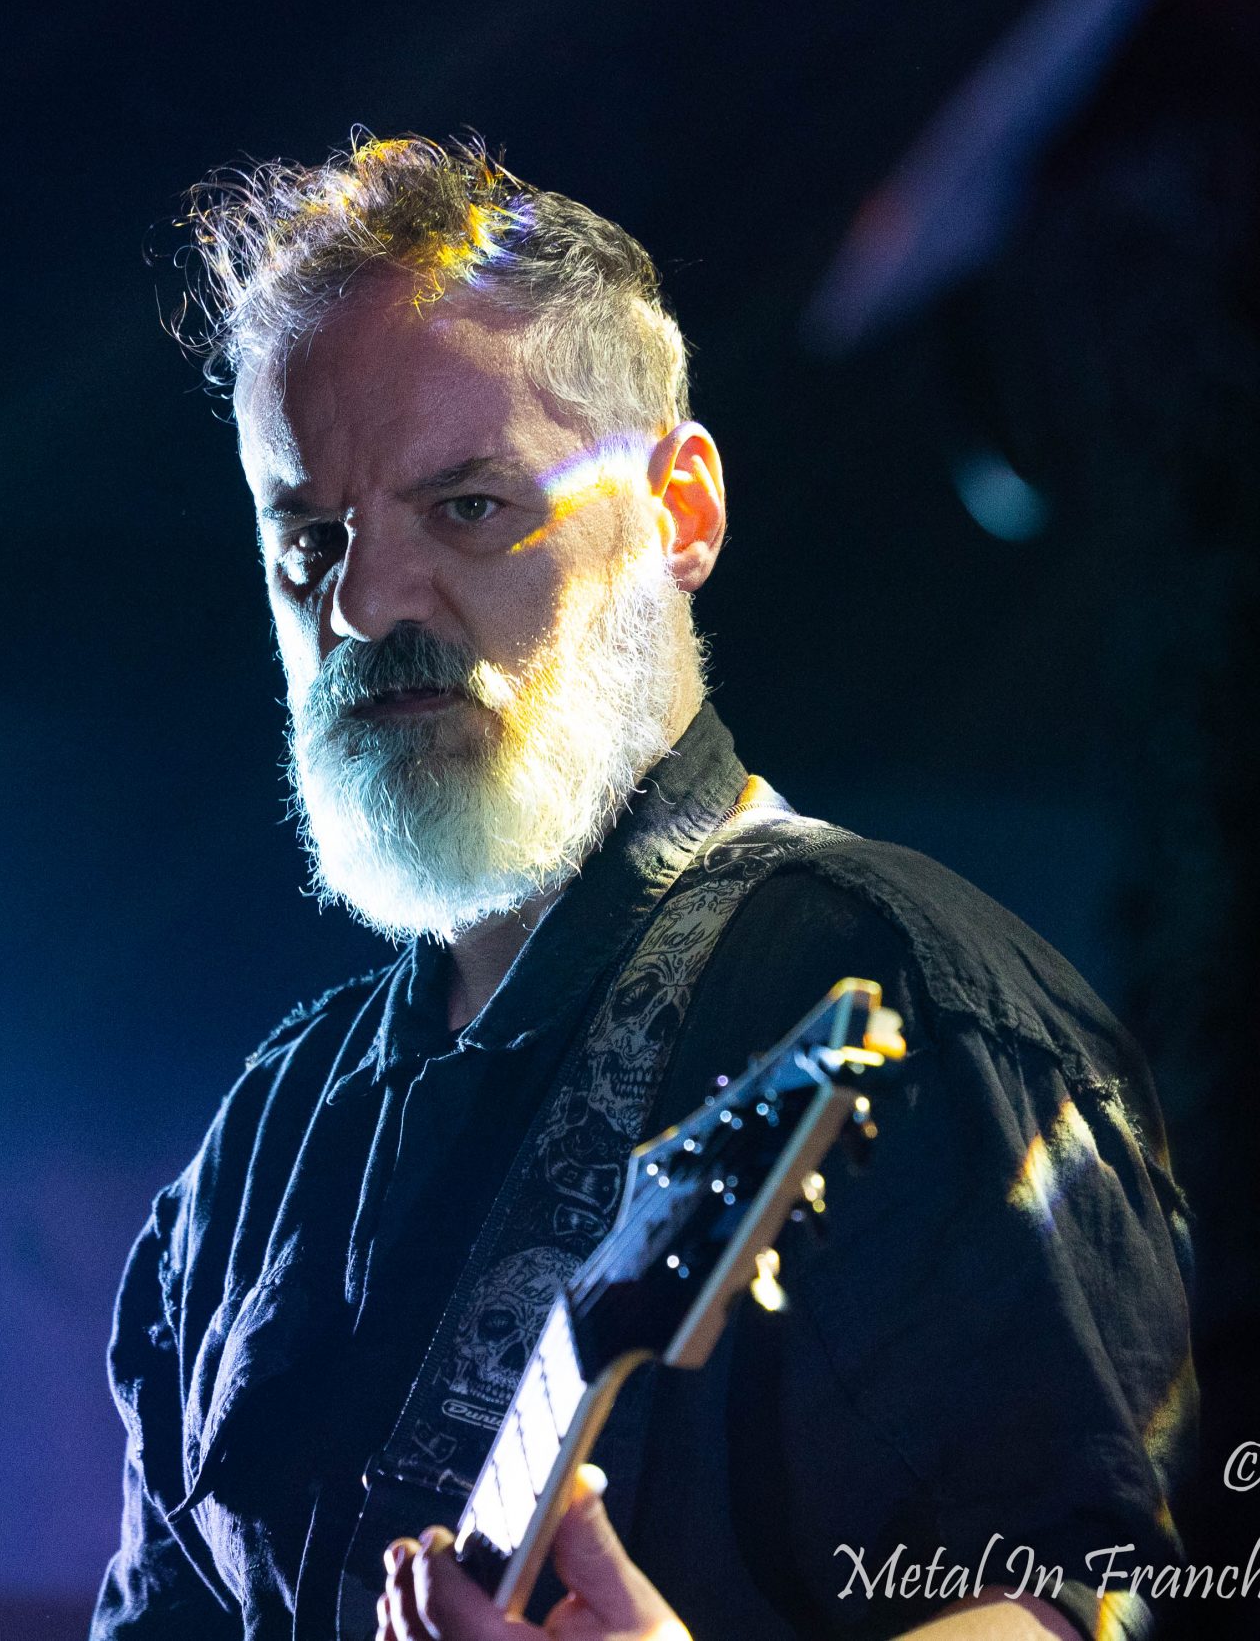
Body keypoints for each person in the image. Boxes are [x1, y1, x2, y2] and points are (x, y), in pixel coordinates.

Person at [91, 136, 1193, 1641]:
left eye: (469, 507)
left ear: (680, 510)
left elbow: (1090, 1602)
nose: (366, 599)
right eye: (310, 540)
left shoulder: (899, 997)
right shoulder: (266, 1142)